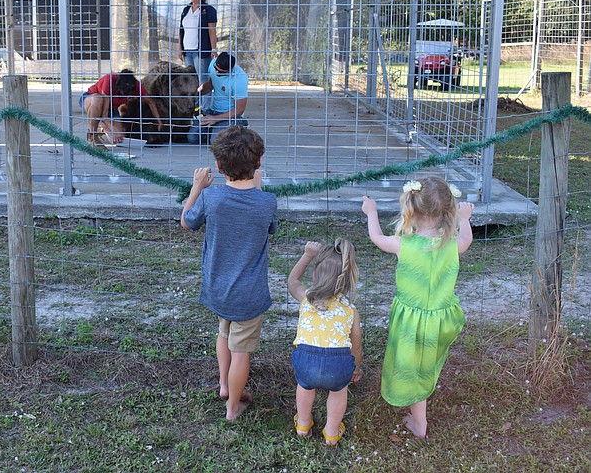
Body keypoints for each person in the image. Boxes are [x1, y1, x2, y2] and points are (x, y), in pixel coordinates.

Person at [361, 176, 475, 439]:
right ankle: (419, 409)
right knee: (426, 366)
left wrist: (372, 211)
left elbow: (376, 237)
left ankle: (419, 422)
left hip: (411, 323)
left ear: (410, 207)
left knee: (412, 370)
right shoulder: (452, 244)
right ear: (449, 211)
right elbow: (466, 241)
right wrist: (466, 219)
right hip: (442, 320)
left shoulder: (403, 244)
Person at [180, 125, 278, 421]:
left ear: (219, 166)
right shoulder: (267, 201)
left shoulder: (211, 199)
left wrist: (197, 186)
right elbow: (269, 227)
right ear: (259, 162)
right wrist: (258, 189)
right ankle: (232, 407)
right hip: (249, 295)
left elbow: (187, 221)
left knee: (224, 333)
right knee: (242, 351)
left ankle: (224, 385)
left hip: (218, 288)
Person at [287, 238, 362, 446]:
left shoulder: (306, 297)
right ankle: (331, 432)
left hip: (306, 361)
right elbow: (356, 344)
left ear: (314, 275)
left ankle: (303, 425)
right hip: (337, 365)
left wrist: (307, 255)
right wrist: (357, 368)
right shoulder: (350, 309)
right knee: (339, 392)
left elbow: (292, 281)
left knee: (304, 387)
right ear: (346, 280)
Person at [79, 69, 162, 146]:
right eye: (122, 93)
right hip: (92, 102)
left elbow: (150, 102)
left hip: (111, 109)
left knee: (117, 139)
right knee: (98, 99)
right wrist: (111, 128)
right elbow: (104, 115)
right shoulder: (109, 80)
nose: (124, 96)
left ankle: (102, 128)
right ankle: (93, 133)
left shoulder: (136, 85)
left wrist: (159, 121)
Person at [186, 52, 249, 145]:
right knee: (192, 138)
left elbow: (239, 110)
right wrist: (195, 94)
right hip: (213, 111)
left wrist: (215, 119)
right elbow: (211, 84)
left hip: (230, 115)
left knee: (216, 142)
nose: (217, 72)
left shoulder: (239, 80)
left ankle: (239, 126)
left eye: (221, 72)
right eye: (216, 69)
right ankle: (218, 130)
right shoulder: (212, 64)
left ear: (230, 69)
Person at [178, 0, 218, 100]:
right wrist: (180, 48)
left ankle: (205, 108)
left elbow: (212, 30)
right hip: (187, 51)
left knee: (203, 80)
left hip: (200, 50)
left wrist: (213, 49)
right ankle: (194, 106)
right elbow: (181, 30)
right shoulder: (186, 10)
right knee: (190, 80)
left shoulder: (208, 10)